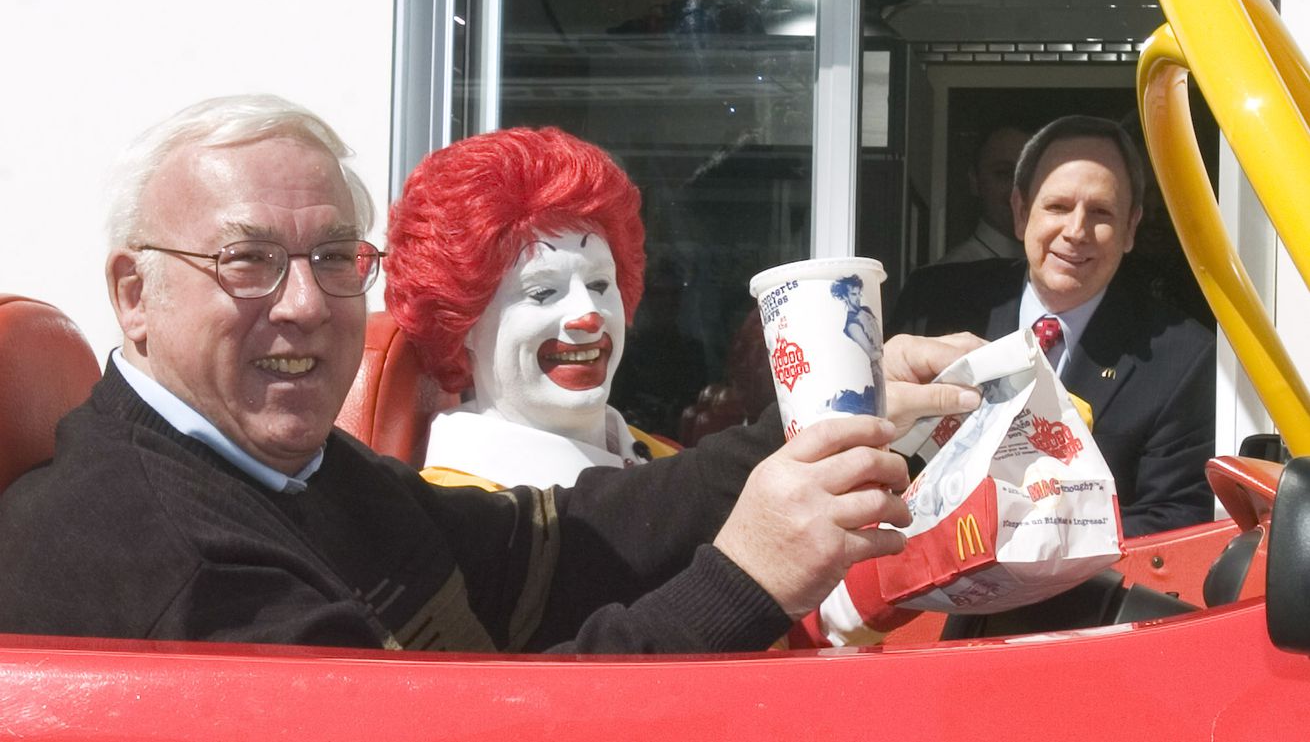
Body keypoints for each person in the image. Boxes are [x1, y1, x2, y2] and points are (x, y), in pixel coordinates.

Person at [0, 94, 982, 653]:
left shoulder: (287, 471)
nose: (303, 302)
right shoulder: (170, 562)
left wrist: (816, 419)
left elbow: (555, 547)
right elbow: (482, 726)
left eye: (336, 258)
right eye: (247, 261)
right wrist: (748, 576)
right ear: (134, 292)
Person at [891, 114, 1216, 537]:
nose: (1076, 231)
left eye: (1100, 212)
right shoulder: (934, 305)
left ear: (1131, 228)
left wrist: (1027, 542)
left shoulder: (1183, 357)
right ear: (1021, 212)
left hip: (1086, 600)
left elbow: (1174, 520)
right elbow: (876, 458)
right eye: (1058, 207)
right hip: (922, 594)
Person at [385, 127, 677, 490]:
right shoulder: (455, 516)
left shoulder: (673, 463)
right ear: (460, 321)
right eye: (542, 292)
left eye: (599, 285)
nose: (588, 316)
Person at [936, 124, 1030, 264]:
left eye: (1028, 175)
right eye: (1003, 173)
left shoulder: (1056, 268)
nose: (1017, 190)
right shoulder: (955, 273)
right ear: (975, 181)